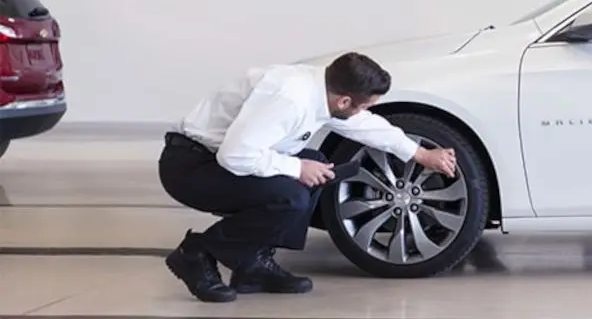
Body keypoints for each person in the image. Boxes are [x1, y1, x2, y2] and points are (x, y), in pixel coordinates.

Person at [158, 52, 458, 303]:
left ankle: (252, 265)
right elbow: (235, 155)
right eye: (365, 104)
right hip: (190, 167)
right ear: (344, 101)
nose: (368, 110)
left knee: (319, 166)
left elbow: (365, 125)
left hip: (217, 159)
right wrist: (296, 168)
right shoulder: (291, 99)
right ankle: (196, 252)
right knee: (293, 193)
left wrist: (419, 153)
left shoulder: (320, 88)